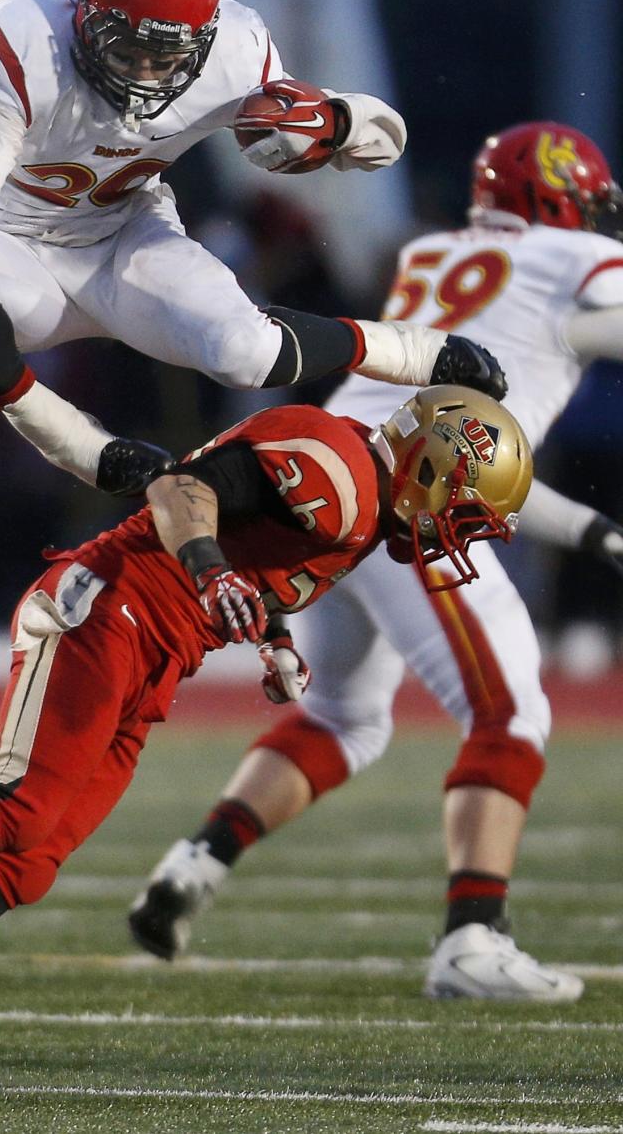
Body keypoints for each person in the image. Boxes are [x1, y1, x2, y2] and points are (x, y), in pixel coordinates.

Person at [0, 384, 531, 1098]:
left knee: (31, 857)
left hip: (159, 648)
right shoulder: (338, 469)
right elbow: (181, 488)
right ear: (430, 465)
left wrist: (276, 638)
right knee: (20, 807)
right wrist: (213, 576)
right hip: (109, 606)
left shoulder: (360, 497)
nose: (460, 536)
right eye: (466, 511)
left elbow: (255, 548)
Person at [128, 120, 623, 1003]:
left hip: (339, 483)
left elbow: (488, 463)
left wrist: (594, 531)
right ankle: (474, 939)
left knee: (346, 718)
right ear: (563, 200)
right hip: (411, 503)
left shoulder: (434, 251)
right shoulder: (572, 258)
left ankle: (193, 864)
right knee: (510, 714)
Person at [0, 0, 506, 496]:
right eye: (127, 52)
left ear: (202, 41)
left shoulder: (237, 49)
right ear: (84, 15)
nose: (145, 74)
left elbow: (380, 145)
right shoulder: (19, 41)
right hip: (6, 239)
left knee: (245, 354)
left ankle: (408, 351)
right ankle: (82, 447)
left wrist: (338, 121)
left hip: (121, 234)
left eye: (165, 58)